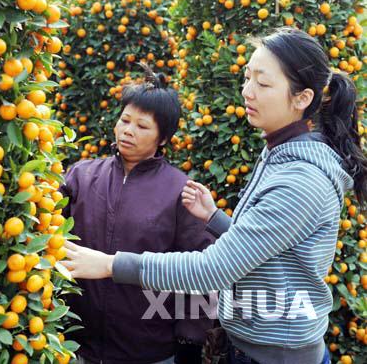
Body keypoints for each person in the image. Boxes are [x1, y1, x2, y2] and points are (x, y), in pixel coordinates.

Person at [60, 27, 367, 364]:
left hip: (276, 356)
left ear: (302, 98)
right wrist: (217, 220)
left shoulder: (301, 179)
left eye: (262, 84)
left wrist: (109, 264)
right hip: (253, 347)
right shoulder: (279, 155)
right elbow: (267, 251)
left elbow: (213, 269)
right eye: (248, 77)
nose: (247, 91)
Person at [60, 64, 215, 364]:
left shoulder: (181, 192)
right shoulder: (81, 176)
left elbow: (201, 271)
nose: (128, 131)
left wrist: (189, 343)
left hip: (150, 351)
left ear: (163, 138)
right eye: (124, 120)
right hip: (78, 348)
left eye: (142, 126)